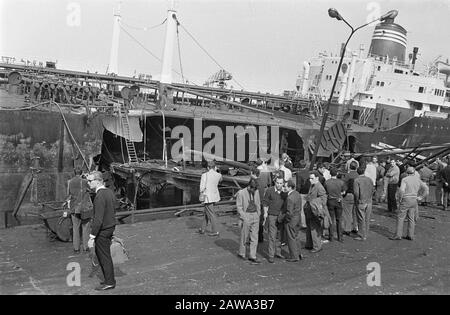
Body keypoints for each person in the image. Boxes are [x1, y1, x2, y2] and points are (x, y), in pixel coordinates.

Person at [87, 171, 117, 291]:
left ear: (98, 181)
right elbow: (113, 211)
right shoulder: (109, 192)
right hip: (110, 227)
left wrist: (92, 237)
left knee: (104, 257)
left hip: (103, 230)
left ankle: (109, 282)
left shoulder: (99, 196)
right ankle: (108, 279)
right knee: (105, 256)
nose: (88, 183)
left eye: (90, 181)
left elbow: (98, 220)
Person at [390, 167, 429, 241]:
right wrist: (421, 197)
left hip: (406, 199)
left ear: (407, 173)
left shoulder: (405, 179)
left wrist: (400, 199)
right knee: (411, 218)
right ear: (414, 173)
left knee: (400, 217)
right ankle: (410, 235)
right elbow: (426, 189)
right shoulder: (418, 180)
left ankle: (398, 235)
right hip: (414, 199)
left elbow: (401, 190)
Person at [66, 167, 93, 253]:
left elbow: (68, 194)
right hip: (84, 208)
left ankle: (76, 249)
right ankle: (86, 247)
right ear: (82, 173)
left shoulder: (70, 182)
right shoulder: (85, 182)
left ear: (74, 173)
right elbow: (92, 189)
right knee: (85, 228)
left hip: (74, 208)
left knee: (75, 228)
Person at [236, 178, 262, 264]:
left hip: (255, 215)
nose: (254, 190)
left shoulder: (257, 191)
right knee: (244, 236)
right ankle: (242, 253)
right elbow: (239, 207)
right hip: (246, 215)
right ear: (249, 187)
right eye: (253, 189)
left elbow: (258, 203)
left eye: (255, 189)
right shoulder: (241, 193)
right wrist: (243, 216)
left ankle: (252, 255)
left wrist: (258, 214)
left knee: (255, 237)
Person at [263, 176, 287, 263]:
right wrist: (265, 213)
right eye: (277, 183)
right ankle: (271, 255)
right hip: (272, 216)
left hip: (281, 217)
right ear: (274, 182)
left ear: (283, 184)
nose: (279, 185)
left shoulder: (285, 192)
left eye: (281, 183)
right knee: (272, 236)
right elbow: (265, 203)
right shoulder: (269, 190)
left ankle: (278, 252)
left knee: (280, 236)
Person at [304, 171, 327, 253]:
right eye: (309, 178)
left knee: (315, 229)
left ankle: (317, 246)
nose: (310, 180)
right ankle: (309, 244)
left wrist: (313, 202)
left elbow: (323, 199)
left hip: (315, 211)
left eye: (312, 178)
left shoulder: (319, 187)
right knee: (310, 228)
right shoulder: (313, 185)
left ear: (317, 178)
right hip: (310, 210)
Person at [198, 160, 223, 236]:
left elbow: (202, 188)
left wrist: (201, 194)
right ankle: (202, 228)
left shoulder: (204, 175)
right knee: (207, 212)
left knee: (211, 213)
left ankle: (215, 231)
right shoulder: (218, 175)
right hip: (214, 196)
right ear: (214, 167)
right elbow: (221, 181)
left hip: (207, 196)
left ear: (208, 167)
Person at [283, 179, 303, 262]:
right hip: (298, 218)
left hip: (292, 220)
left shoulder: (290, 198)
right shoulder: (297, 194)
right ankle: (299, 253)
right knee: (296, 236)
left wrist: (286, 219)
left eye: (285, 186)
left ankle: (294, 256)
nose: (284, 187)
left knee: (291, 238)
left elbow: (289, 213)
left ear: (290, 187)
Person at [324, 168, 345, 242]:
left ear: (330, 174)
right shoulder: (341, 182)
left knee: (331, 219)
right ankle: (340, 237)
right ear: (337, 174)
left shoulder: (327, 182)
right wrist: (339, 195)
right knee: (339, 219)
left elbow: (325, 192)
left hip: (330, 200)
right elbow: (343, 192)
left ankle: (331, 237)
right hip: (338, 200)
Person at [353, 167, 374, 241]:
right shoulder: (369, 179)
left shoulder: (357, 180)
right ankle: (366, 233)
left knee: (361, 218)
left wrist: (357, 200)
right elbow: (373, 189)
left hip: (361, 201)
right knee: (367, 218)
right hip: (369, 201)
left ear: (357, 172)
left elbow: (356, 193)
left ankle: (362, 235)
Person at [342, 161, 359, 235]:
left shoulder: (347, 175)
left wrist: (343, 193)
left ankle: (347, 229)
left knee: (347, 213)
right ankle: (355, 227)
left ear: (349, 167)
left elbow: (344, 186)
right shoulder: (358, 175)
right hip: (357, 195)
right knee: (355, 212)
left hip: (349, 195)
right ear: (356, 167)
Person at [296, 160, 309, 229]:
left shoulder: (299, 173)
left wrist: (297, 192)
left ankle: (304, 224)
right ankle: (308, 222)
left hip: (302, 192)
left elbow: (298, 185)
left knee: (302, 209)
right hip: (309, 192)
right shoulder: (309, 172)